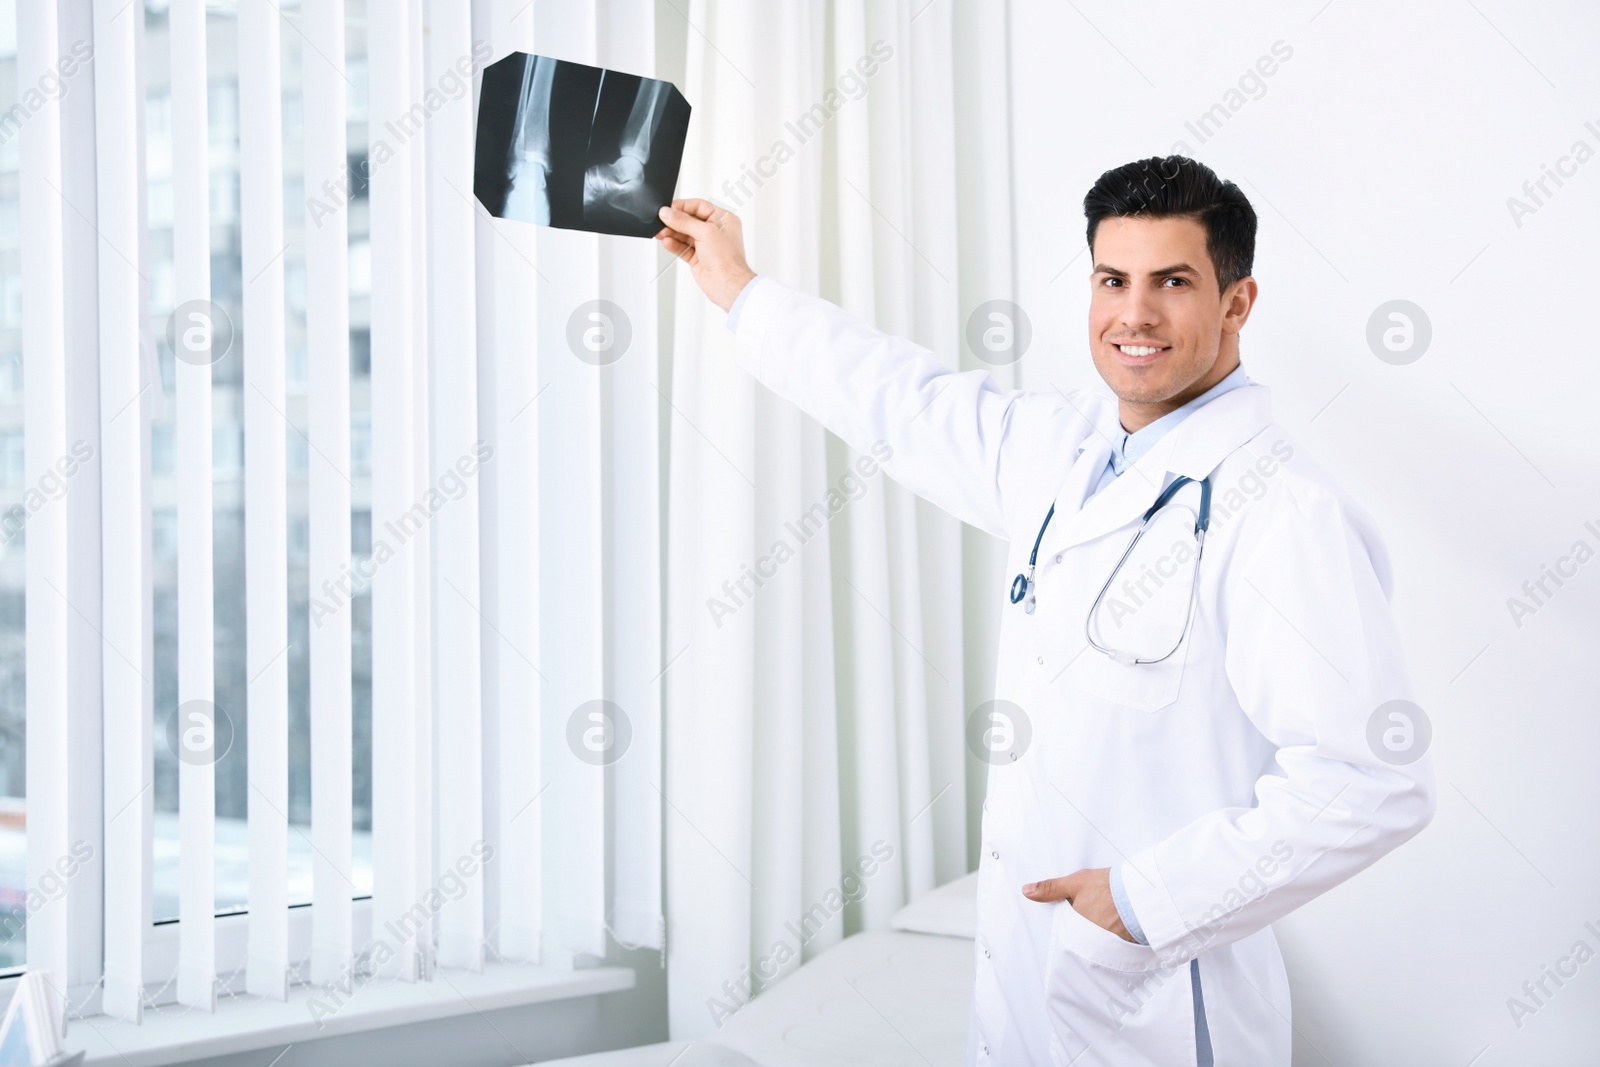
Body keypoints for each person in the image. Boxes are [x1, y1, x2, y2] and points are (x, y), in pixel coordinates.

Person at [656, 155, 1435, 1067]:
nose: (1134, 314)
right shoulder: (1059, 453)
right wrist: (741, 288)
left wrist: (1142, 899)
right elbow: (896, 401)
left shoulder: (1283, 512)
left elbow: (1374, 780)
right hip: (1024, 991)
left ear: (1237, 303)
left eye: (1172, 282)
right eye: (1113, 280)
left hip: (1154, 1001)